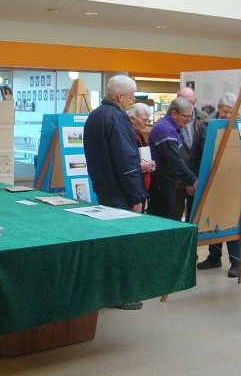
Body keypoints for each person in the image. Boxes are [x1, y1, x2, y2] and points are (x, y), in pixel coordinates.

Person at [84, 76, 147, 311]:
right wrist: (136, 197)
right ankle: (121, 294)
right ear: (120, 96)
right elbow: (127, 161)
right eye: (130, 98)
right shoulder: (117, 118)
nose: (131, 103)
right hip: (120, 193)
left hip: (103, 188)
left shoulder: (95, 115)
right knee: (123, 245)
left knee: (109, 241)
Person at [190, 93, 241, 278]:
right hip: (209, 178)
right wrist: (193, 179)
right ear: (219, 108)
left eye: (232, 112)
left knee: (231, 219)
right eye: (226, 111)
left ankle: (236, 261)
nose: (229, 115)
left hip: (232, 180)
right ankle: (214, 257)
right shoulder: (205, 125)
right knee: (211, 216)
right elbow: (195, 153)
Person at [148, 97, 198, 221]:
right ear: (174, 113)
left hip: (169, 181)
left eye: (190, 116)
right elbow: (175, 160)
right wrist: (192, 180)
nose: (188, 120)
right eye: (185, 116)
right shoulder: (164, 128)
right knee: (163, 220)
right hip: (161, 182)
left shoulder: (174, 127)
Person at [173, 86, 207, 221]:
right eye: (184, 101)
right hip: (178, 178)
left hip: (197, 175)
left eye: (191, 102)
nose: (188, 105)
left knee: (194, 217)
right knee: (175, 216)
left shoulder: (204, 119)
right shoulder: (171, 120)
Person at [127, 102, 156, 205]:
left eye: (148, 120)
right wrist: (142, 167)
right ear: (132, 118)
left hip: (142, 187)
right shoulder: (126, 137)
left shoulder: (140, 136)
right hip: (132, 188)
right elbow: (125, 164)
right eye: (144, 120)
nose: (146, 123)